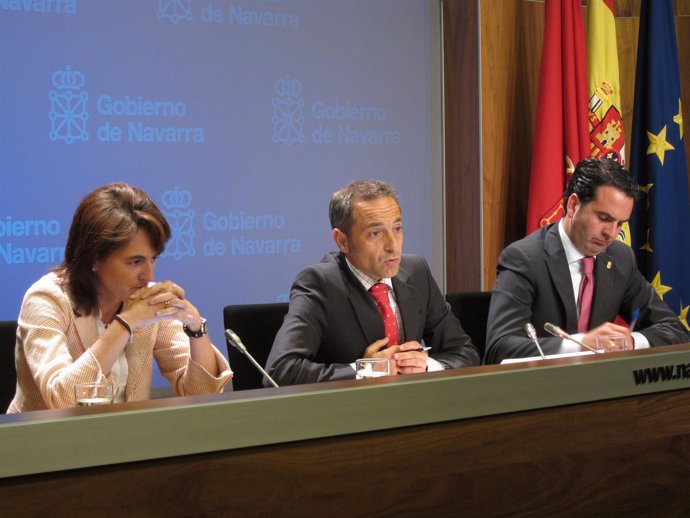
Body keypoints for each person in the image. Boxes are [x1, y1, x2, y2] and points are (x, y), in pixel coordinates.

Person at [7, 183, 232, 412]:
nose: (149, 276)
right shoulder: (47, 299)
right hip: (44, 443)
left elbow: (203, 395)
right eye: (135, 262)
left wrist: (195, 329)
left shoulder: (147, 300)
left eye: (152, 259)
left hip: (125, 443)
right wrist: (125, 323)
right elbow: (62, 400)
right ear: (94, 258)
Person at [264, 180, 480, 386]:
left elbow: (464, 352)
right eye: (375, 233)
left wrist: (427, 365)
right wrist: (364, 370)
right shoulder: (320, 283)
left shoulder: (416, 272)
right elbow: (280, 371)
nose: (392, 246)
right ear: (342, 241)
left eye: (397, 228)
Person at [484, 158, 690, 364]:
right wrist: (583, 343)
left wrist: (628, 342)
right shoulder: (524, 259)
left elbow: (675, 330)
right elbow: (500, 347)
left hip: (602, 388)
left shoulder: (621, 259)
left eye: (620, 224)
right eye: (604, 218)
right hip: (540, 389)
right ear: (573, 205)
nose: (611, 233)